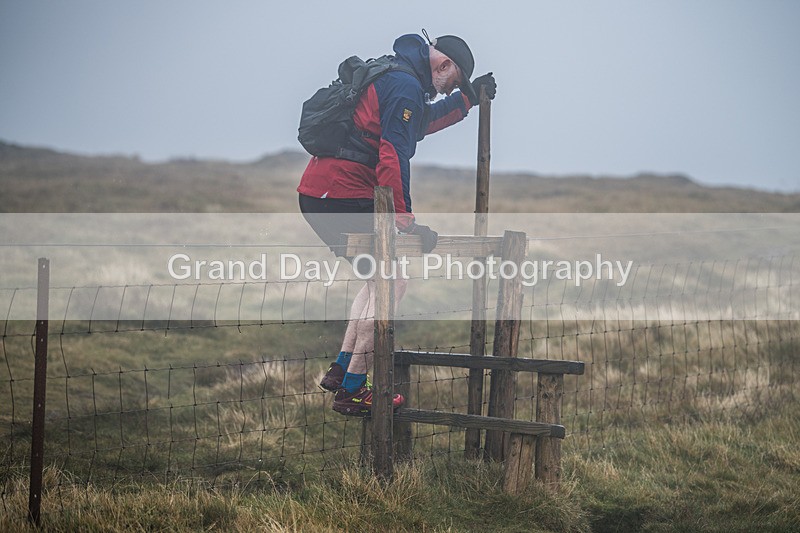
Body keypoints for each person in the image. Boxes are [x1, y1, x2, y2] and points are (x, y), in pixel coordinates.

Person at [298, 31, 496, 416]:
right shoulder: (405, 86)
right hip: (341, 195)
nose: (447, 90)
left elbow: (420, 124)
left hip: (322, 193)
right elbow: (392, 154)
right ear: (444, 65)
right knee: (393, 284)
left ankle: (341, 371)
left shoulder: (399, 77)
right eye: (453, 81)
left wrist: (467, 99)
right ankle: (353, 389)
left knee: (378, 281)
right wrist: (405, 222)